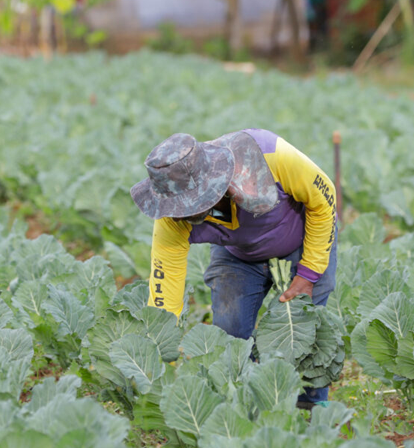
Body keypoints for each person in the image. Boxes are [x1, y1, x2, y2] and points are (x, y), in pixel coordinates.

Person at [130, 129, 337, 408]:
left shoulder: (271, 156)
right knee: (230, 331)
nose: (189, 214)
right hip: (238, 256)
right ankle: (245, 403)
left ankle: (313, 409)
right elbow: (164, 290)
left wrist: (309, 273)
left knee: (305, 331)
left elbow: (324, 200)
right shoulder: (171, 218)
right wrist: (155, 349)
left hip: (302, 242)